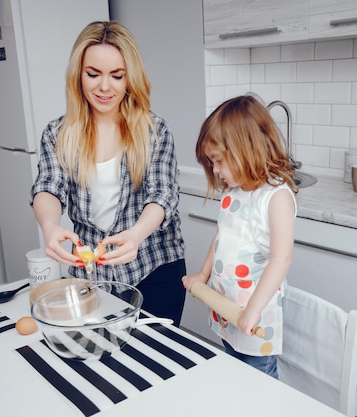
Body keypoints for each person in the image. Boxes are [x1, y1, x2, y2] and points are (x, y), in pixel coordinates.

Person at [30, 21, 186, 325]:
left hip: (155, 267)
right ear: (78, 75)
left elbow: (163, 194)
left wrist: (136, 235)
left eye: (117, 76)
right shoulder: (58, 133)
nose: (105, 87)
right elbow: (48, 186)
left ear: (130, 78)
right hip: (92, 277)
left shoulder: (154, 131)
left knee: (157, 363)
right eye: (93, 74)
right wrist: (49, 226)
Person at [182, 95, 298, 378]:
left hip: (254, 317)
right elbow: (221, 236)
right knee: (236, 378)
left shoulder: (275, 196)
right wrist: (202, 275)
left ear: (247, 149)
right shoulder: (234, 191)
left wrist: (253, 310)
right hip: (229, 312)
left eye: (219, 161)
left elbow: (280, 260)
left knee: (259, 389)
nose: (216, 171)